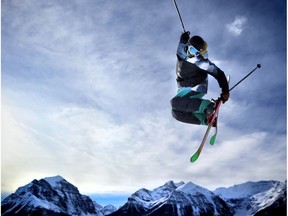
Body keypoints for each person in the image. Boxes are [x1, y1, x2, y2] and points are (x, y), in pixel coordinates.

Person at [170, 31, 230, 126]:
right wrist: (184, 37)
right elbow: (182, 42)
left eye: (196, 52)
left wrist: (225, 90)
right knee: (176, 113)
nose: (193, 54)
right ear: (187, 46)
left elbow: (219, 73)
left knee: (175, 103)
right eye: (192, 50)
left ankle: (208, 106)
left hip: (196, 86)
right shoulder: (181, 50)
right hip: (184, 87)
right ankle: (205, 119)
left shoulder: (201, 62)